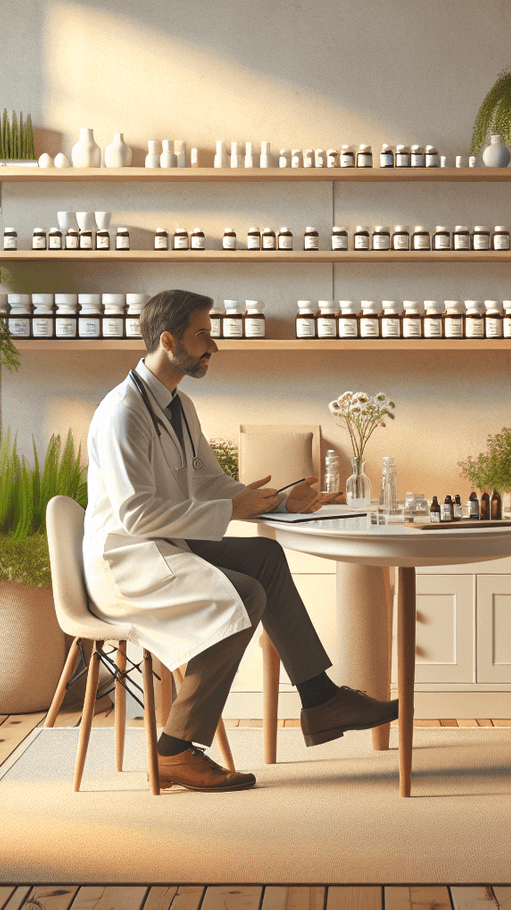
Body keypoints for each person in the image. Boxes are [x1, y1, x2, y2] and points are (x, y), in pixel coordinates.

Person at [82, 289, 398, 792]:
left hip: (168, 545)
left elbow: (208, 481)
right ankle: (174, 749)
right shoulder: (123, 412)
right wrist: (232, 510)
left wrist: (277, 501)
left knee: (265, 557)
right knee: (244, 592)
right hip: (128, 561)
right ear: (168, 340)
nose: (214, 346)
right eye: (202, 335)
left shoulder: (179, 404)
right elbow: (136, 515)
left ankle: (319, 700)